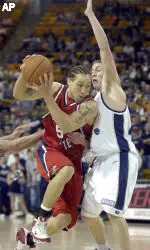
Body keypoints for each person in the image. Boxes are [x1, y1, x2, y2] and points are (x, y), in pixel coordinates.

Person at [69, 1, 138, 250]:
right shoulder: (93, 102)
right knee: (88, 215)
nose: (96, 73)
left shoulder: (112, 92)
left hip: (118, 159)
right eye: (93, 71)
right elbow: (100, 134)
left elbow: (104, 48)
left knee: (115, 214)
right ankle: (103, 248)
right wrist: (84, 143)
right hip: (98, 162)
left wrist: (90, 15)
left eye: (100, 69)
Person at [13, 59, 98, 249]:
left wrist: (47, 98)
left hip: (74, 163)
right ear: (69, 82)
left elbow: (67, 125)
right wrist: (24, 73)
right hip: (51, 151)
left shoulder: (90, 106)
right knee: (65, 169)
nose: (85, 90)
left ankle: (25, 239)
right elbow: (19, 94)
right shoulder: (56, 89)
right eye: (80, 85)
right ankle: (40, 220)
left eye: (89, 86)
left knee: (64, 219)